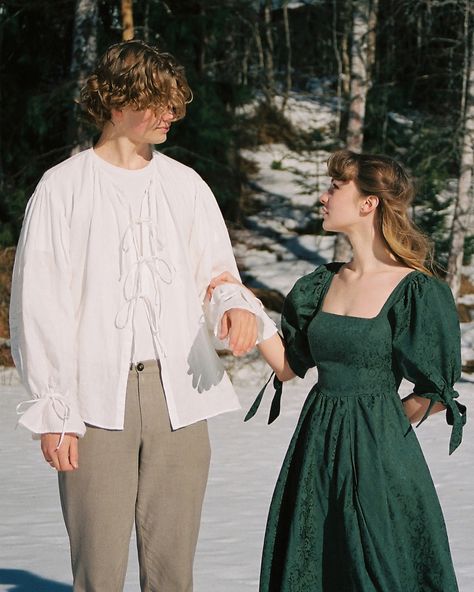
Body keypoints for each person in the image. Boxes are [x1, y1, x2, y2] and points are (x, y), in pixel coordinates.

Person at [10, 40, 276, 592]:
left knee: (173, 572)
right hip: (93, 399)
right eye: (155, 103)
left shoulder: (186, 186)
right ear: (112, 102)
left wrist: (232, 307)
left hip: (179, 393)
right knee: (98, 572)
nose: (169, 116)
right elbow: (40, 306)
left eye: (175, 104)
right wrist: (55, 408)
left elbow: (217, 274)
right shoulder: (63, 188)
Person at [209, 149, 466, 592]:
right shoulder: (321, 284)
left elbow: (437, 389)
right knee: (318, 563)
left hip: (382, 454)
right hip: (316, 448)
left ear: (369, 203)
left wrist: (387, 422)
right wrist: (245, 303)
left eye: (335, 186)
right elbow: (288, 367)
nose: (323, 197)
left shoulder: (416, 290)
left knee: (381, 565)